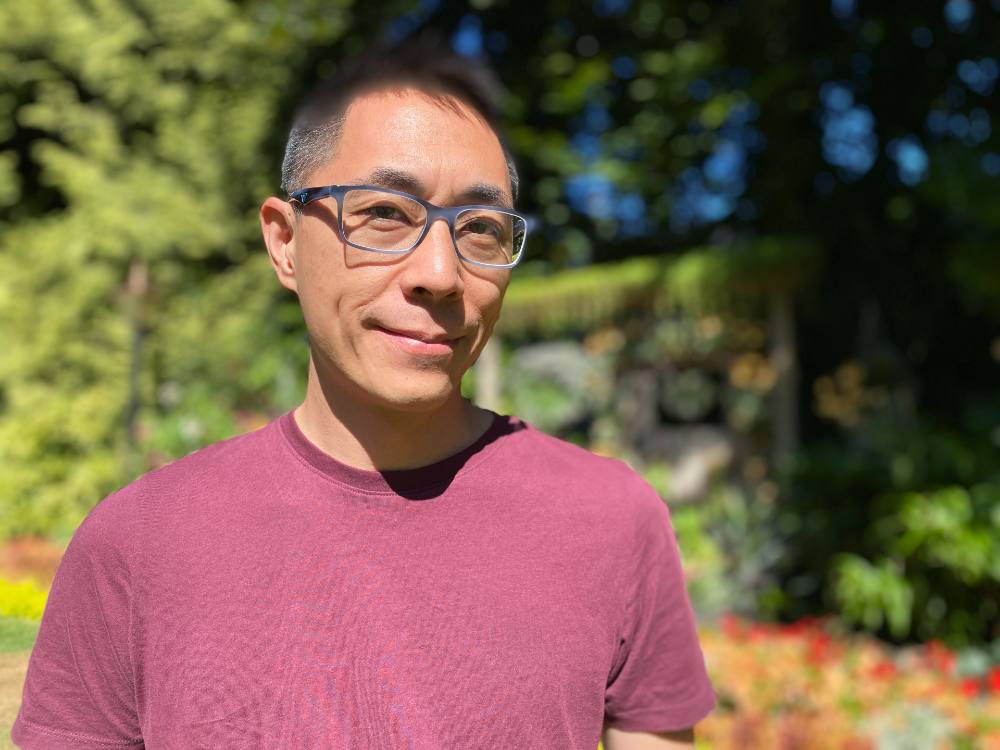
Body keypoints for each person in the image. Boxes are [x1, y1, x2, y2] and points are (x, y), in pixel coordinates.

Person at [12, 37, 716, 749]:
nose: (440, 273)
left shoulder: (611, 521)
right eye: (384, 214)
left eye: (479, 228)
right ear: (284, 242)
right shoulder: (138, 545)